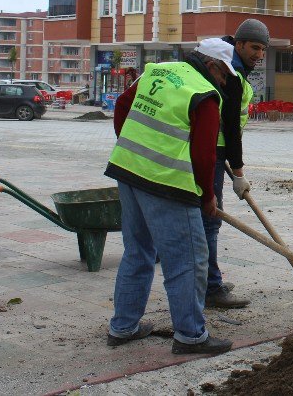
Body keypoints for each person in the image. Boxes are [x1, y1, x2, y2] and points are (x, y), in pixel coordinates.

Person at [104, 38, 237, 355]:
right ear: (212, 65)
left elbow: (123, 105)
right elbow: (204, 156)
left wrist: (134, 146)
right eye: (223, 75)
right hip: (167, 184)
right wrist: (207, 196)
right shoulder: (205, 95)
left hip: (127, 171)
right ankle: (191, 336)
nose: (223, 82)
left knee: (138, 252)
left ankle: (123, 327)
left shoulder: (156, 71)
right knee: (189, 261)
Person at [198, 19, 269, 309]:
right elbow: (228, 124)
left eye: (263, 49)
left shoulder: (227, 64)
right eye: (254, 47)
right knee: (210, 219)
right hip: (213, 149)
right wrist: (238, 172)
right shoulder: (231, 72)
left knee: (207, 219)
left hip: (217, 149)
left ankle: (208, 280)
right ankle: (210, 287)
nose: (259, 55)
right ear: (238, 44)